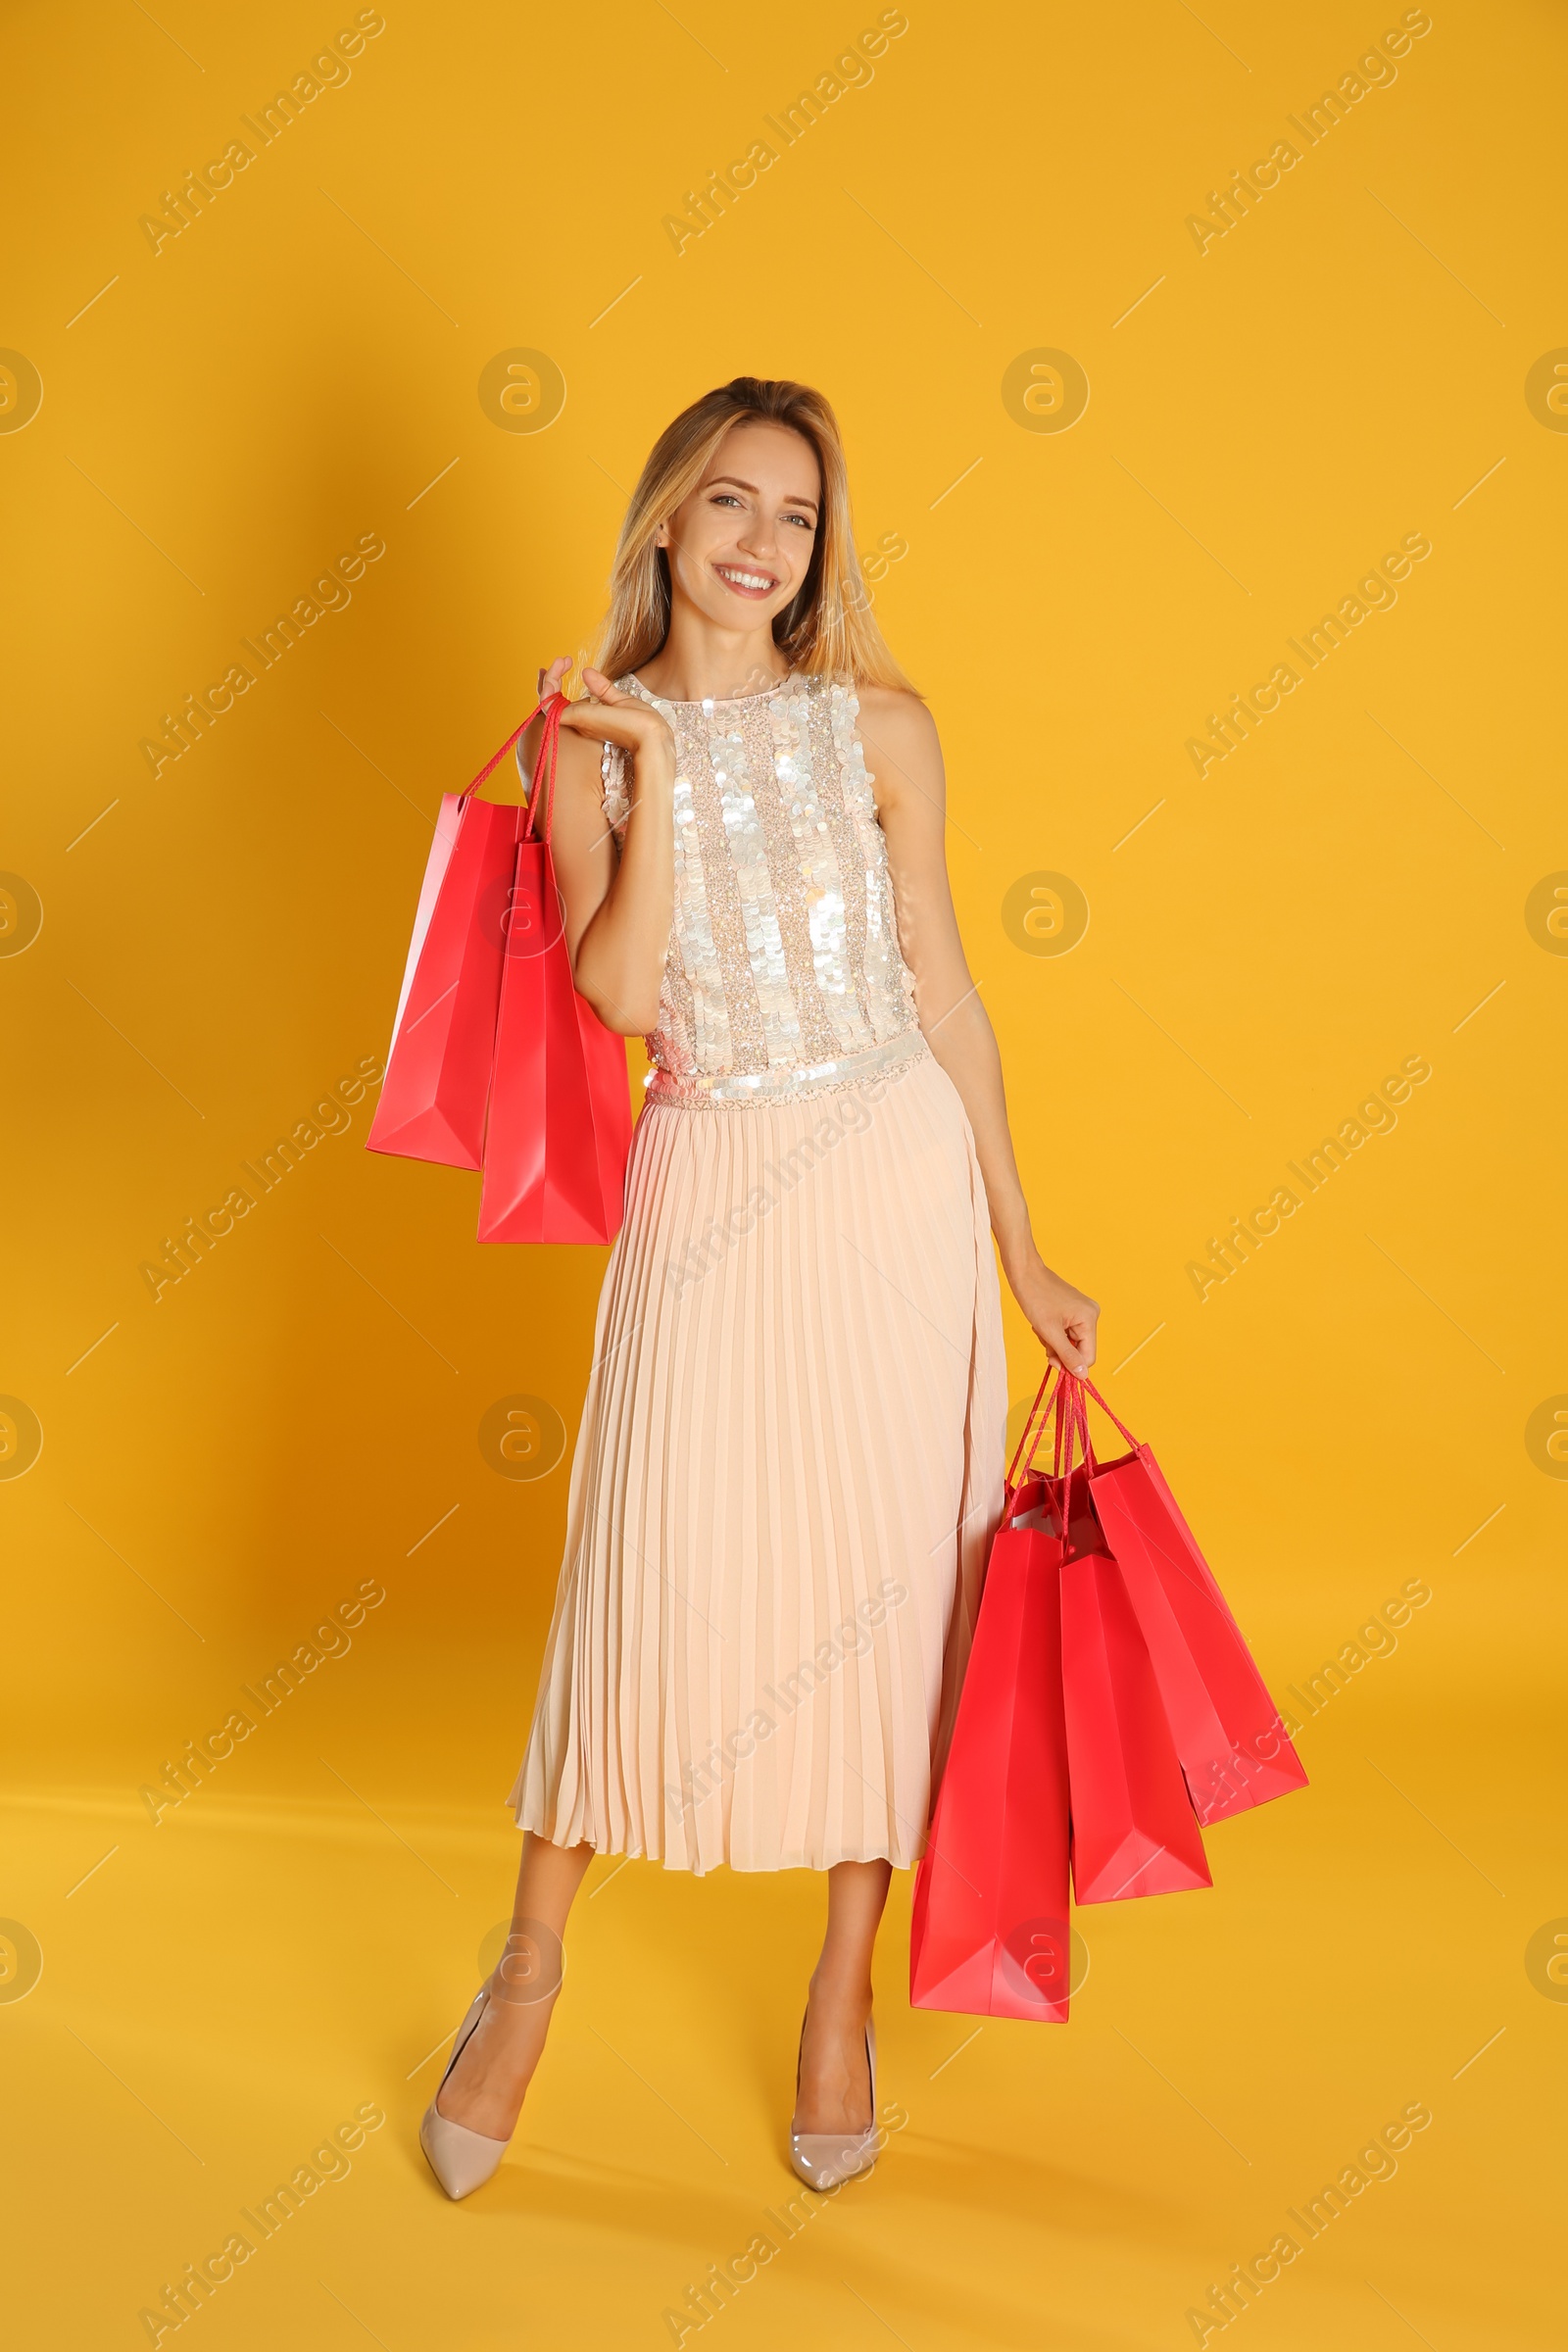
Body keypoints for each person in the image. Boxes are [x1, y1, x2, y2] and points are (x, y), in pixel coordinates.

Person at [418, 376, 1099, 2200]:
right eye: (729, 501)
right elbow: (629, 1005)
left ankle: (840, 1996)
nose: (758, 542)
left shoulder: (879, 725)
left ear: (818, 551)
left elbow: (945, 986)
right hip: (711, 1182)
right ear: (664, 517)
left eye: (794, 517)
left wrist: (1020, 1238)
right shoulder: (583, 745)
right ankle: (531, 1966)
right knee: (638, 1575)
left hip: (895, 1193)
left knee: (888, 1607)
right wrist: (644, 781)